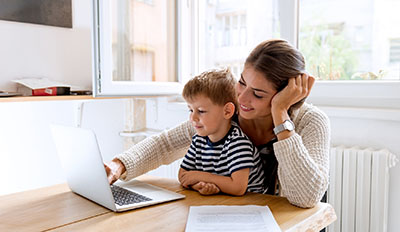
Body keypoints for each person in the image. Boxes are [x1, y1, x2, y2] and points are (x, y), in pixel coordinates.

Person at [104, 39, 331, 208]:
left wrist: (280, 114)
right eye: (242, 83)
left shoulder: (310, 121)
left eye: (258, 94)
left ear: (287, 95)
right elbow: (166, 144)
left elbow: (306, 198)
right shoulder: (228, 110)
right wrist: (118, 166)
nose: (241, 98)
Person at [178, 69, 266, 196]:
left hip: (250, 205)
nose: (193, 118)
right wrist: (199, 185)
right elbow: (183, 175)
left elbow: (237, 188)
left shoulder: (238, 143)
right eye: (190, 110)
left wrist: (199, 176)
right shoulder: (198, 140)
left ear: (227, 111)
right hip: (222, 203)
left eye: (201, 111)